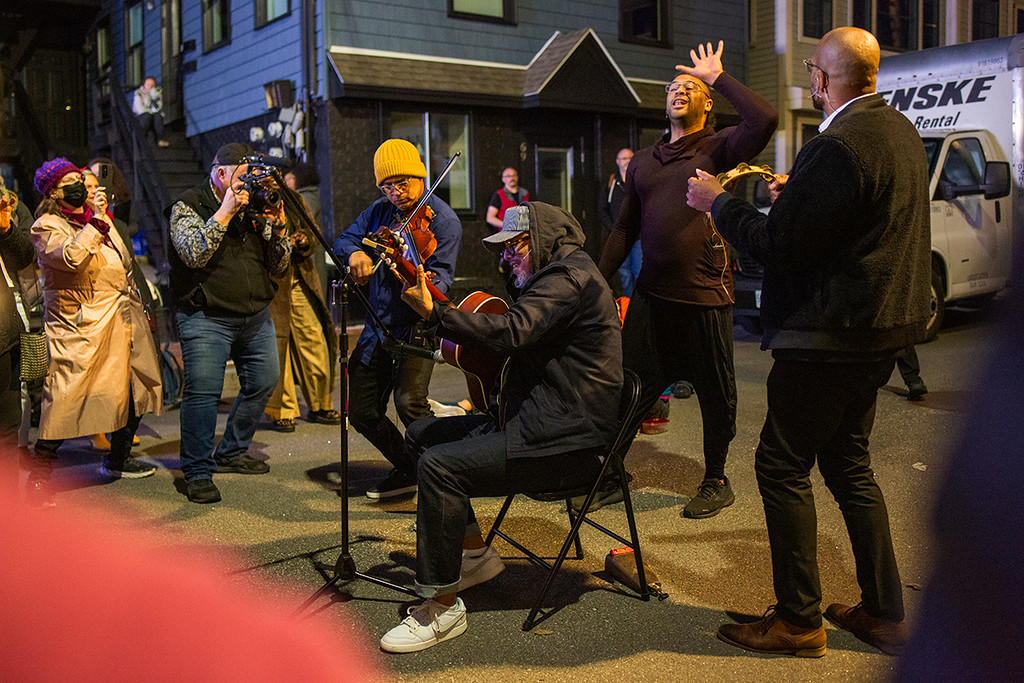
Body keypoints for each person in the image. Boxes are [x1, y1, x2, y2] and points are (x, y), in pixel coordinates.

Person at [686, 26, 930, 657]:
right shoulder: (898, 132)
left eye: (814, 76)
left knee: (780, 464)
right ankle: (885, 610)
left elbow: (777, 247)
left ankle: (798, 620)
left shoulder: (840, 144)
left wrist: (718, 203)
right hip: (880, 333)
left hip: (830, 336)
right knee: (849, 465)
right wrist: (794, 203)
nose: (813, 87)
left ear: (823, 80)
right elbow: (849, 226)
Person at [378, 201, 623, 653]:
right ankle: (473, 556)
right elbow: (513, 331)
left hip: (565, 442)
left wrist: (436, 313)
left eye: (512, 248)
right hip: (538, 419)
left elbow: (512, 331)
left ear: (540, 240)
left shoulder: (568, 279)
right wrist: (440, 308)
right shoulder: (557, 273)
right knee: (421, 434)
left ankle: (442, 608)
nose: (505, 258)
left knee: (439, 467)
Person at [598, 40, 778, 519]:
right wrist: (597, 280)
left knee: (716, 396)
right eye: (674, 86)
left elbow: (765, 120)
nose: (679, 90)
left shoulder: (719, 147)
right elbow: (623, 229)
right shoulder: (642, 160)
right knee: (630, 385)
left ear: (707, 103)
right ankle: (610, 471)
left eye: (691, 87)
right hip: (651, 295)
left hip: (704, 294)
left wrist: (717, 75)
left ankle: (716, 479)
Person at [26, 158, 163, 508]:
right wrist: (98, 221)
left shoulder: (96, 220)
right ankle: (39, 476)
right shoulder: (47, 226)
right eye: (71, 182)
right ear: (54, 192)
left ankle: (118, 458)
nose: (80, 187)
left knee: (135, 388)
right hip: (80, 325)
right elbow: (70, 259)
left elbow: (124, 262)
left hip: (121, 316)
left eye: (81, 181)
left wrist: (100, 219)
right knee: (67, 399)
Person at [332, 139, 461, 500]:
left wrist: (411, 273)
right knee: (360, 410)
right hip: (377, 325)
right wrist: (356, 251)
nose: (396, 193)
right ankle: (408, 467)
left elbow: (440, 283)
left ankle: (450, 473)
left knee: (410, 405)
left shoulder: (445, 222)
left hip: (416, 328)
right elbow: (343, 240)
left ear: (420, 177)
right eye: (387, 186)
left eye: (403, 183)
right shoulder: (379, 212)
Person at [168, 143, 292, 504]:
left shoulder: (254, 206)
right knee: (203, 394)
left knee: (265, 380)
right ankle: (197, 471)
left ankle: (232, 452)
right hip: (206, 316)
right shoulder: (187, 205)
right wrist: (225, 211)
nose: (246, 187)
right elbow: (192, 253)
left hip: (254, 315)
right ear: (220, 173)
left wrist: (278, 226)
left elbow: (279, 265)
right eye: (240, 178)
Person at [264, 182, 339, 432]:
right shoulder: (249, 200)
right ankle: (281, 409)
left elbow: (313, 231)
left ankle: (320, 404)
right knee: (277, 345)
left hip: (299, 275)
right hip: (271, 281)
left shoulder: (294, 198)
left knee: (314, 337)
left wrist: (305, 238)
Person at [81, 168, 147, 451]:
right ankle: (96, 431)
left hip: (120, 300)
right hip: (91, 304)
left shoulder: (110, 217)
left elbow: (125, 257)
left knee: (122, 370)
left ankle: (119, 427)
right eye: (87, 185)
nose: (93, 191)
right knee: (96, 373)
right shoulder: (75, 221)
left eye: (97, 185)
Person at [0, 185, 35, 453]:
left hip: (6, 333)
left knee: (8, 430)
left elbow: (25, 256)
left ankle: (12, 495)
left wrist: (6, 230)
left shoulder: (7, 212)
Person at [598, 148, 639, 297]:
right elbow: (602, 210)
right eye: (624, 159)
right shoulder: (611, 183)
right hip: (619, 237)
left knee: (639, 271)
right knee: (625, 273)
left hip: (638, 236)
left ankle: (639, 306)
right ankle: (628, 306)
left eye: (629, 158)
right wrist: (614, 227)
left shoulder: (639, 180)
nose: (627, 162)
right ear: (617, 161)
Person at [486, 167, 530, 298]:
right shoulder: (499, 195)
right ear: (503, 179)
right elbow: (490, 217)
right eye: (508, 176)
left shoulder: (524, 193)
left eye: (514, 175)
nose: (511, 178)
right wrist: (508, 226)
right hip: (508, 239)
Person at [132, 77, 169, 147]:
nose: (150, 87)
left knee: (158, 116)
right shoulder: (138, 93)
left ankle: (160, 140)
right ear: (144, 85)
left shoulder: (157, 94)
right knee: (146, 116)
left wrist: (153, 98)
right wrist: (150, 111)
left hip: (152, 118)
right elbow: (139, 109)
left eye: (152, 85)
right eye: (148, 84)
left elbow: (158, 108)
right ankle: (142, 139)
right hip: (141, 117)